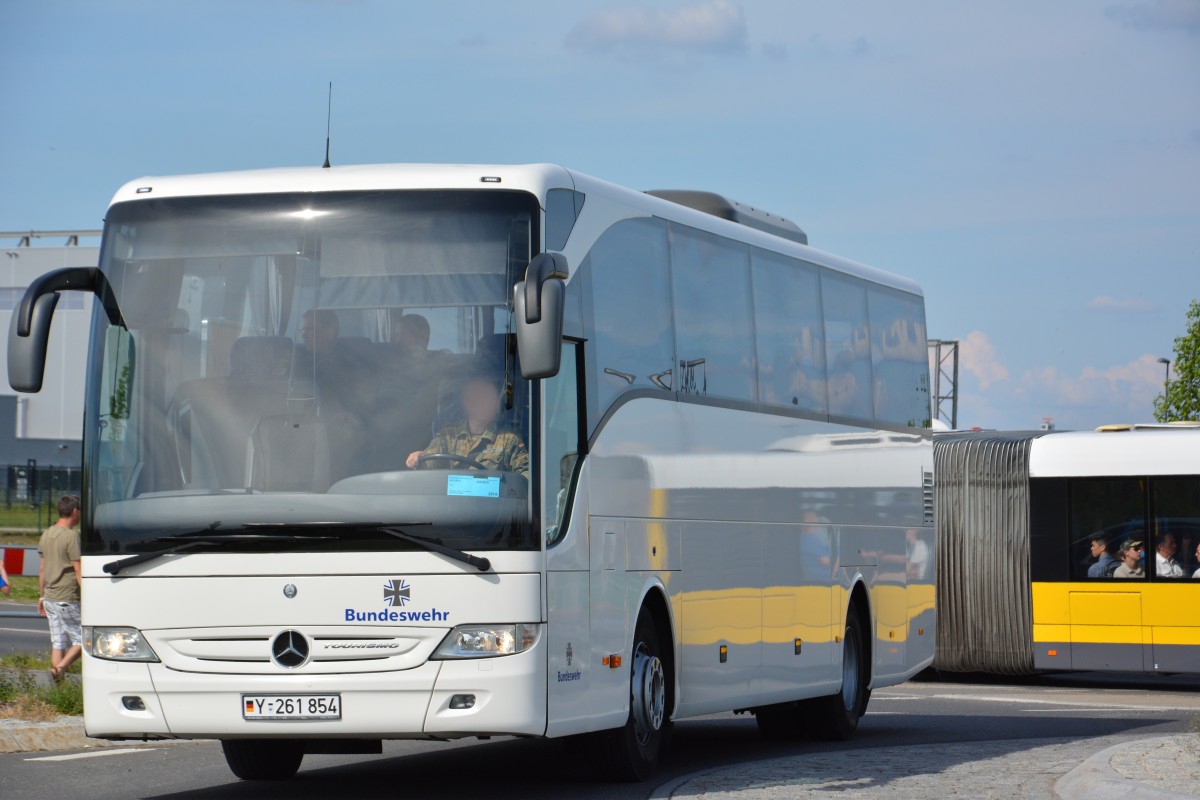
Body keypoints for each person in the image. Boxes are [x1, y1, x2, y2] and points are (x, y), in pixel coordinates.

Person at [406, 373, 528, 473]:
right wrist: (419, 459)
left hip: (491, 502)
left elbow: (524, 480)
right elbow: (430, 464)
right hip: (451, 502)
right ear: (465, 402)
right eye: (475, 397)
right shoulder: (448, 435)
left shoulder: (508, 439)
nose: (482, 402)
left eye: (487, 396)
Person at [38, 495, 82, 680]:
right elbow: (78, 569)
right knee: (85, 639)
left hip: (50, 597)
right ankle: (60, 669)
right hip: (67, 596)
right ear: (74, 511)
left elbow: (42, 569)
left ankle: (58, 687)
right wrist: (90, 596)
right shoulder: (72, 536)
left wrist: (41, 597)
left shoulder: (46, 534)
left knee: (58, 643)